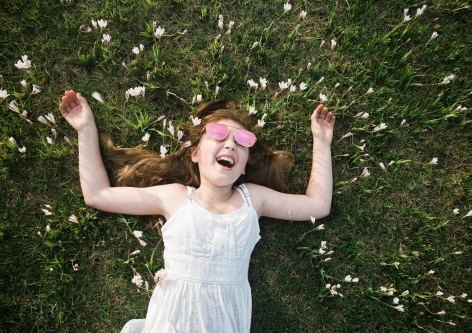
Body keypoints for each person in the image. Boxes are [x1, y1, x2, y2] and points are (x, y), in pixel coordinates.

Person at [59, 90, 335, 333]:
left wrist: (321, 141)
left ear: (244, 166)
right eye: (217, 136)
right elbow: (97, 195)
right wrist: (85, 129)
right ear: (194, 154)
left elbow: (317, 205)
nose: (230, 144)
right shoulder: (175, 197)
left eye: (241, 143)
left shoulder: (254, 200)